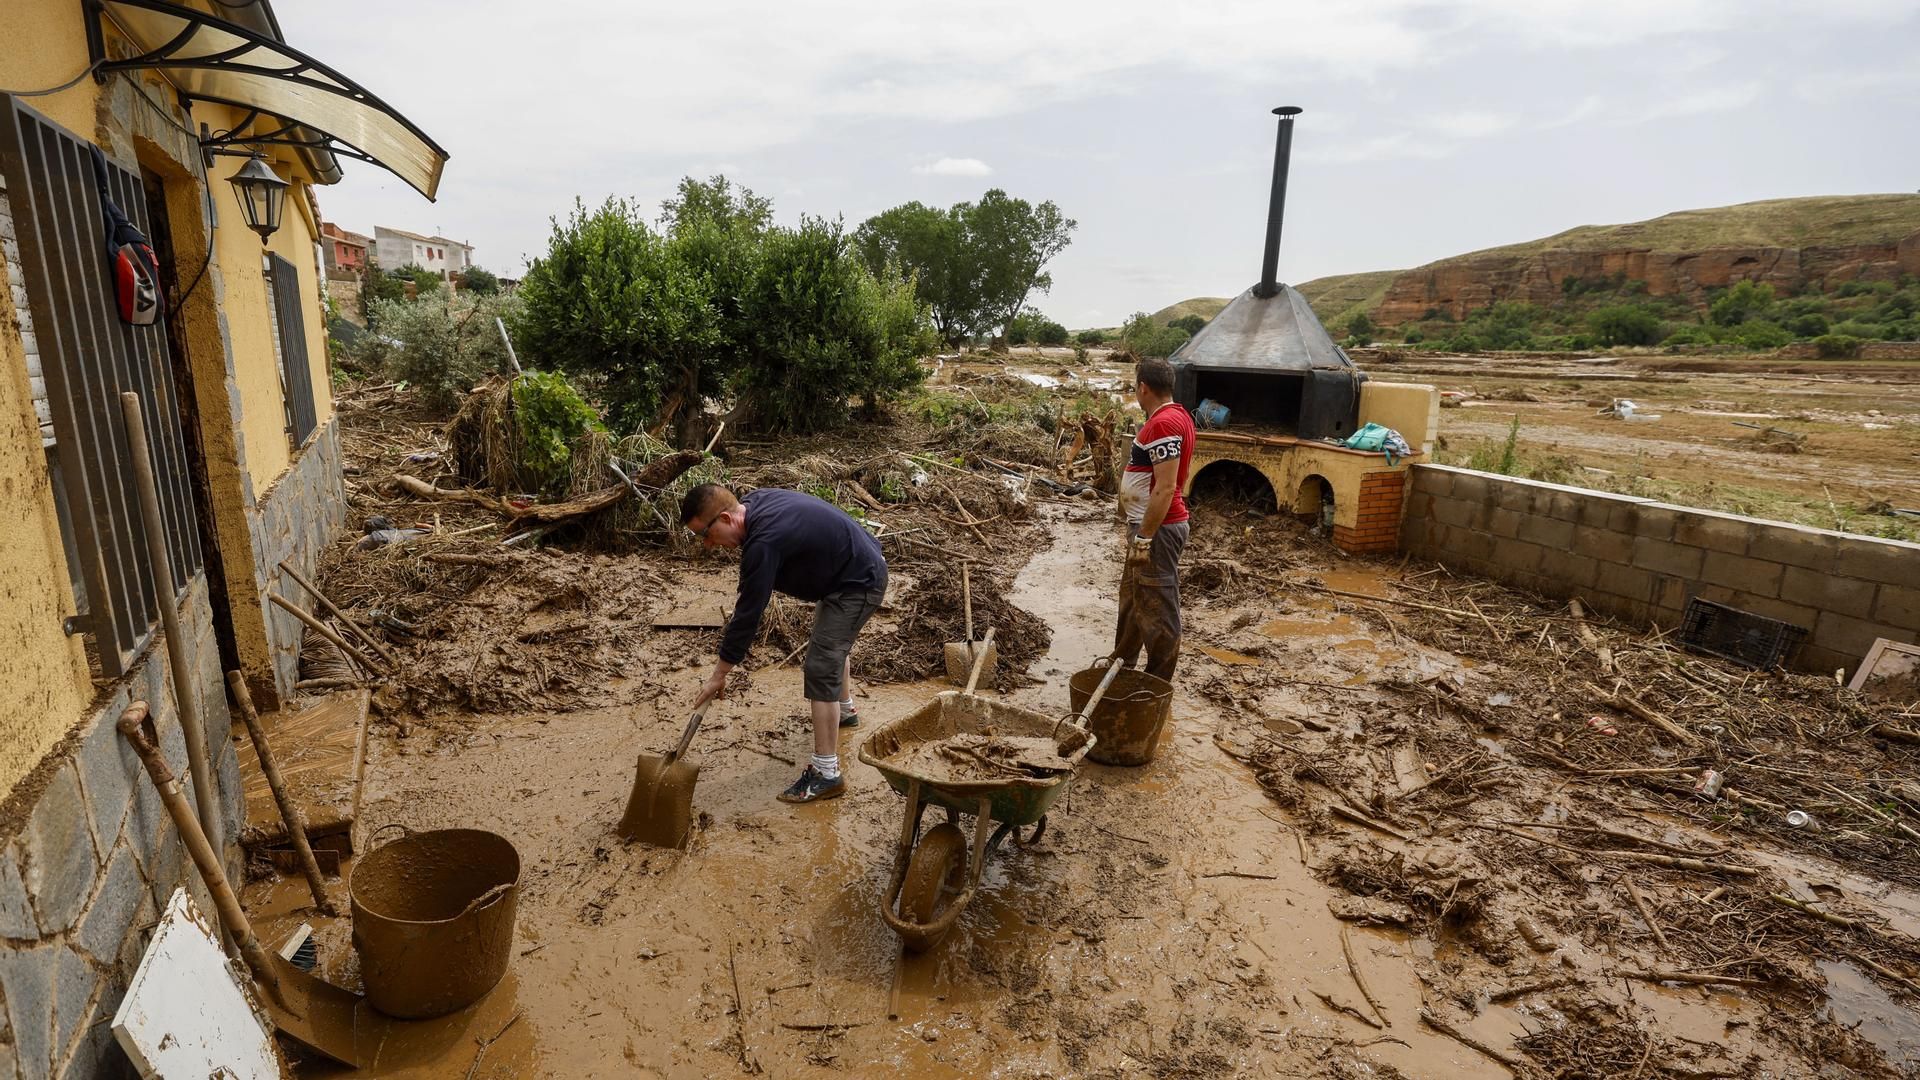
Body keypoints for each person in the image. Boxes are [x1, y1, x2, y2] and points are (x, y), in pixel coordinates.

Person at [682, 483, 888, 803]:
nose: (708, 545)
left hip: (858, 582)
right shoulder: (754, 505)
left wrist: (718, 675)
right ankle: (845, 712)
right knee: (829, 645)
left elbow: (747, 615)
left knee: (821, 665)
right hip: (848, 571)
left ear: (725, 517)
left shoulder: (764, 542)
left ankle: (826, 774)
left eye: (705, 534)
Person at [1114, 356, 1195, 682]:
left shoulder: (1163, 424)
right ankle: (1122, 664)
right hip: (1149, 528)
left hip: (1156, 530)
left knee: (1158, 608)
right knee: (1133, 600)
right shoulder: (1177, 417)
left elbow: (1164, 488)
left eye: (1136, 387)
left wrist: (1145, 538)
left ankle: (1156, 684)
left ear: (1143, 387)